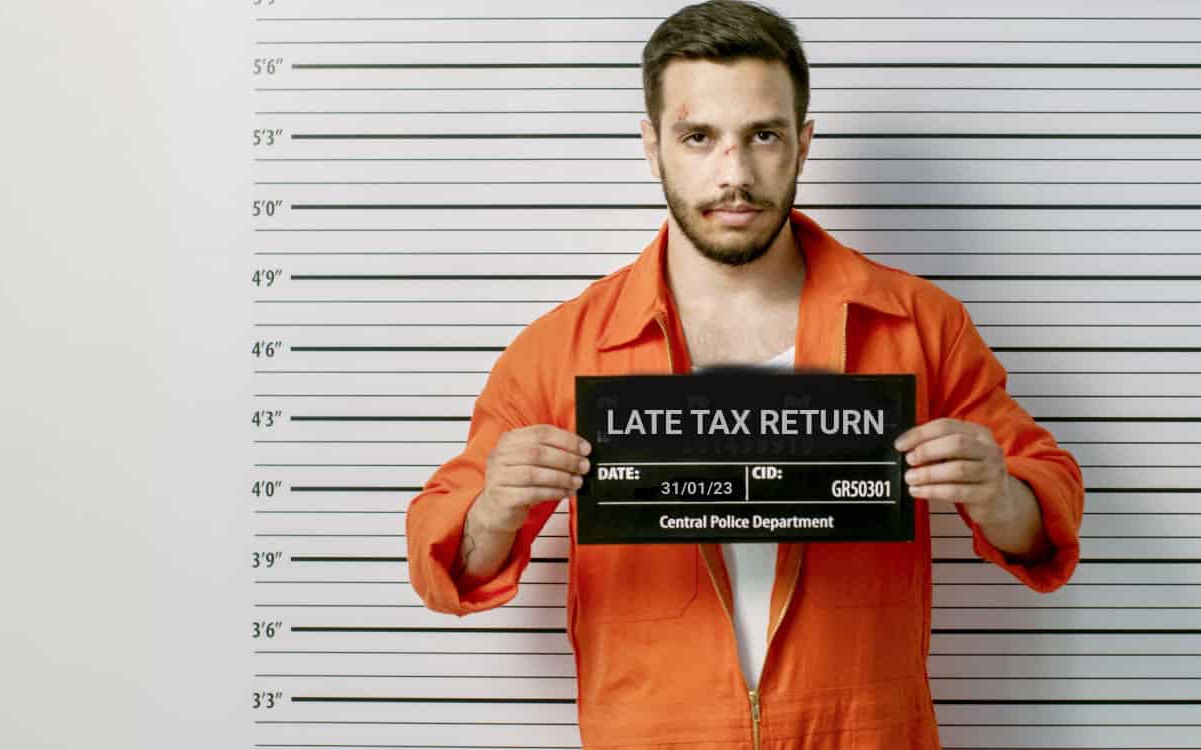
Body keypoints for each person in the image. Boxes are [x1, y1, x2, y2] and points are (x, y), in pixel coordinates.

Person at [404, 2, 1085, 747]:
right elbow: (446, 563)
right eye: (699, 138)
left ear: (802, 144)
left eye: (763, 135)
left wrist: (998, 493)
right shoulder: (560, 348)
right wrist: (497, 508)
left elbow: (1045, 513)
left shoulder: (919, 323)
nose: (734, 174)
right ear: (652, 146)